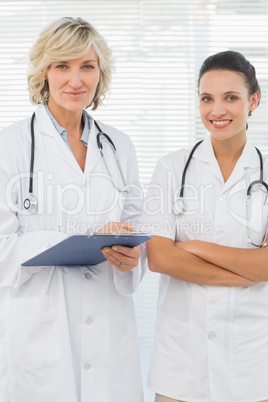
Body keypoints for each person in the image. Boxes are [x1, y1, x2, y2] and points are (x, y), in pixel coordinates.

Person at [0, 17, 146, 402]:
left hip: (108, 332)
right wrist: (70, 242)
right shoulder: (10, 145)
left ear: (101, 74)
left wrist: (130, 254)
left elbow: (136, 228)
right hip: (41, 334)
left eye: (87, 66)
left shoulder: (119, 146)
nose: (75, 80)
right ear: (43, 72)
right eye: (62, 66)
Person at [143, 50, 268, 402]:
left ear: (253, 100)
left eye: (231, 98)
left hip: (251, 363)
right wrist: (251, 271)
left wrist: (195, 247)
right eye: (207, 98)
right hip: (181, 364)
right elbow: (160, 258)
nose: (217, 111)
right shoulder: (171, 168)